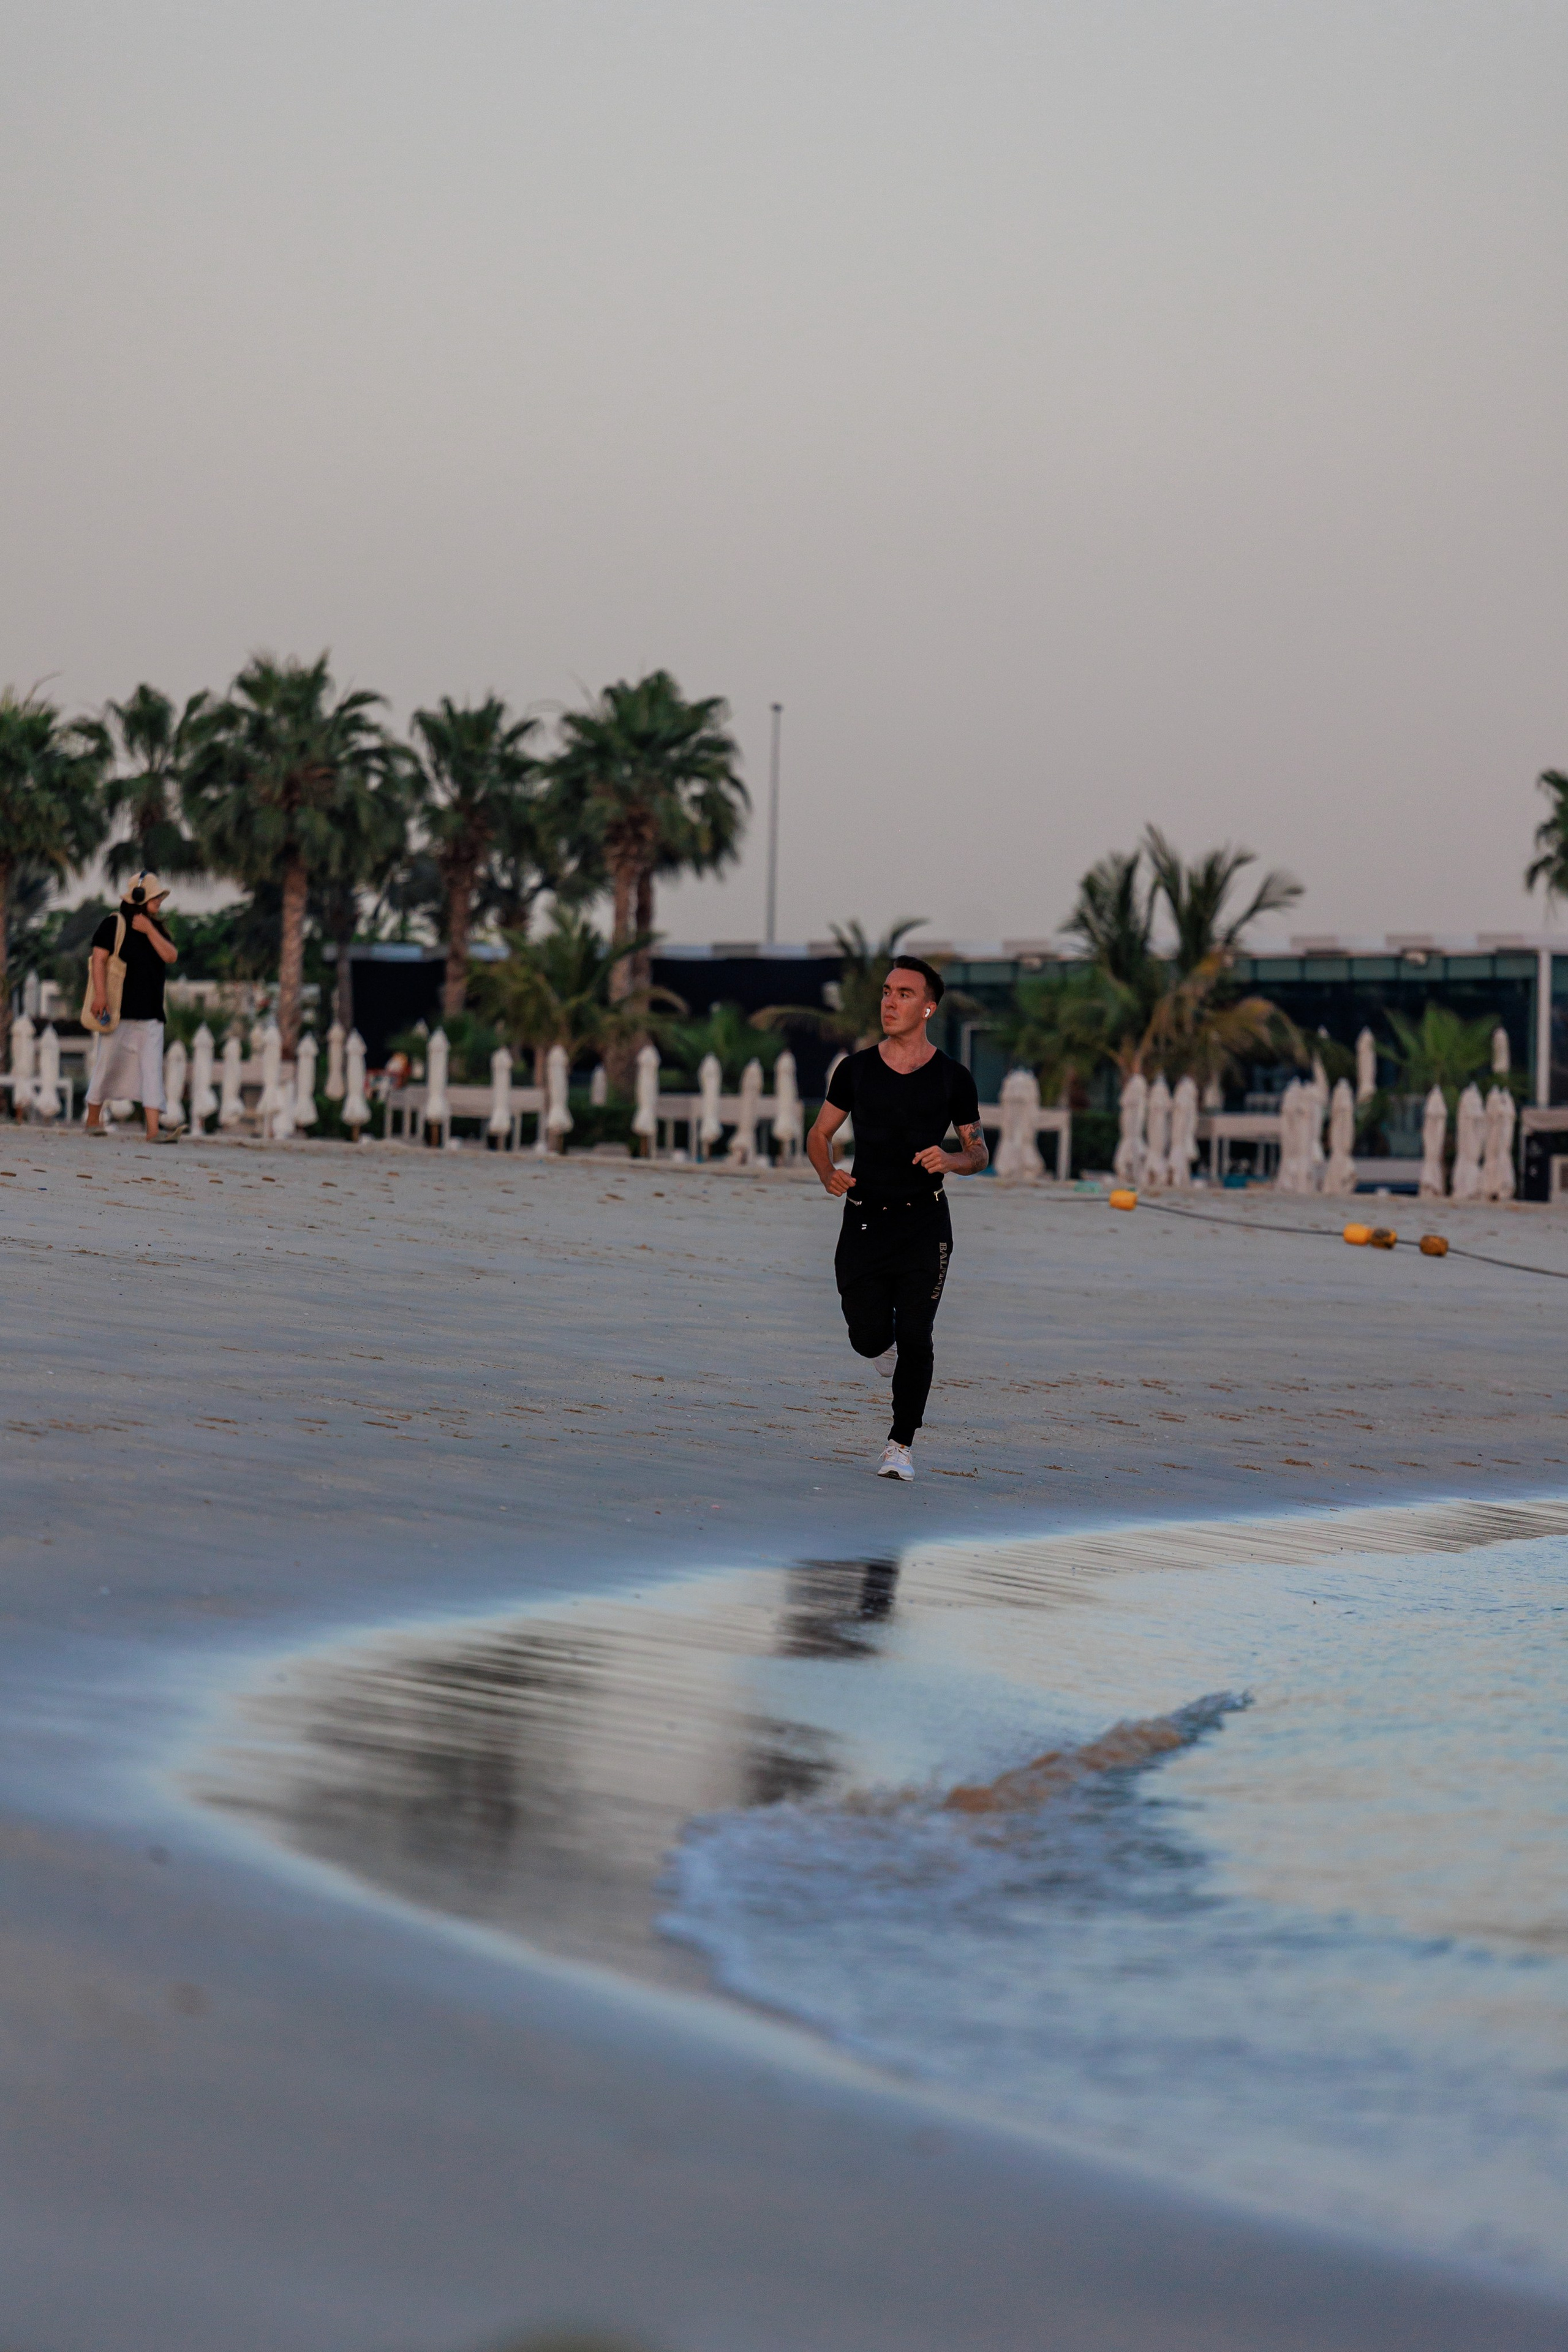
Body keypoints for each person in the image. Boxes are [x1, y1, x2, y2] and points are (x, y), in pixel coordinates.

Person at [806, 956, 986, 1480]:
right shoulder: (856, 1070)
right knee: (866, 1336)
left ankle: (900, 1444)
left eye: (905, 994)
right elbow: (818, 1135)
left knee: (917, 1333)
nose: (890, 1001)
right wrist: (827, 1173)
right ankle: (886, 1350)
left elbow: (979, 1152)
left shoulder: (954, 1078)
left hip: (925, 1226)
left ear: (928, 1007)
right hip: (863, 1220)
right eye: (887, 991)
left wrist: (951, 1159)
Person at [83, 872, 182, 1144]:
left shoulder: (156, 928)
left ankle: (153, 1130)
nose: (161, 900)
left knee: (152, 1070)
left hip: (151, 1013)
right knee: (107, 1065)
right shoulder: (113, 925)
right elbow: (99, 960)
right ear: (140, 898)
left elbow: (171, 956)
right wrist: (100, 996)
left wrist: (149, 930)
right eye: (156, 896)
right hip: (118, 1012)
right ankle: (93, 1119)